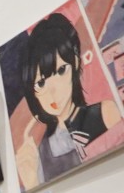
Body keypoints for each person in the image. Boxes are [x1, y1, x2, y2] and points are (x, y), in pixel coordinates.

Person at [20, 11, 122, 184]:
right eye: (41, 83)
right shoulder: (40, 152)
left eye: (60, 71)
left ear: (75, 62)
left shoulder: (105, 113)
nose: (52, 91)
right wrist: (31, 180)